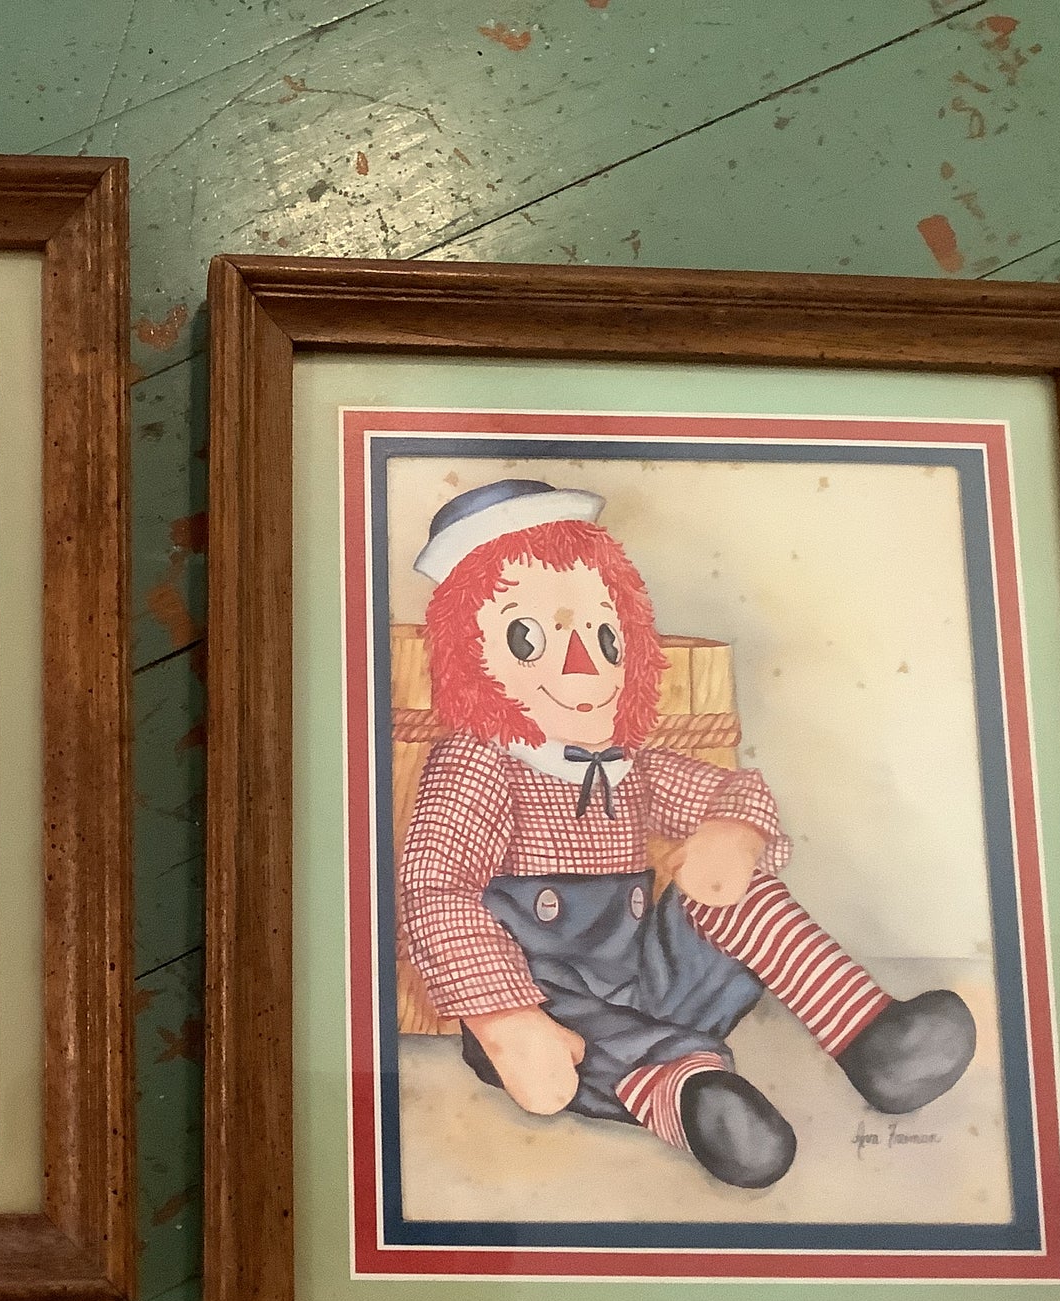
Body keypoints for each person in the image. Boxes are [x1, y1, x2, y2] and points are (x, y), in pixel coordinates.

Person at [398, 478, 975, 1187]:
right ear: (471, 658)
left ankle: (870, 1038)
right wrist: (503, 1016)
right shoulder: (479, 761)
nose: (584, 665)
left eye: (603, 636)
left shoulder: (629, 766)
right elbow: (435, 889)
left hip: (649, 979)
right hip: (544, 1005)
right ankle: (698, 1102)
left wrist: (734, 830)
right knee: (597, 1047)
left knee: (730, 891)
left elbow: (728, 790)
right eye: (530, 638)